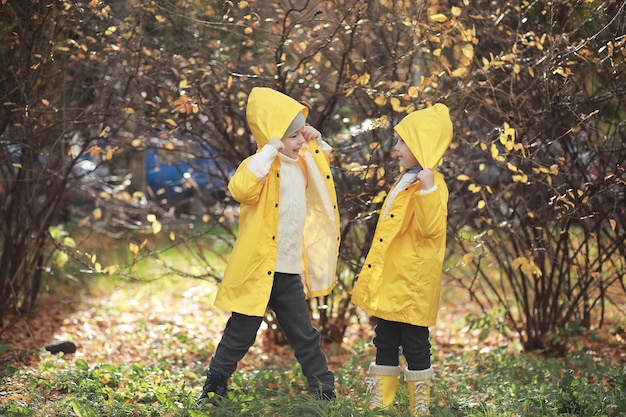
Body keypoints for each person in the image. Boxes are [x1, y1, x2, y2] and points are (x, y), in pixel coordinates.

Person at [197, 87, 341, 405]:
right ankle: (214, 387)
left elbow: (323, 169)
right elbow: (240, 189)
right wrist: (267, 151)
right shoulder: (259, 167)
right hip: (258, 269)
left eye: (300, 137)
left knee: (304, 334)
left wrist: (315, 141)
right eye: (293, 138)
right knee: (240, 332)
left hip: (287, 271)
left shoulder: (302, 164)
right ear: (275, 138)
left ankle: (324, 390)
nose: (299, 143)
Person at [351, 104, 453, 416]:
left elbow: (429, 228)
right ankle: (380, 402)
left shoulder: (431, 185)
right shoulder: (405, 181)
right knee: (384, 339)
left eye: (402, 142)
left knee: (415, 343)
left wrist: (428, 189)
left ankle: (418, 406)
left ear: (421, 145)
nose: (396, 149)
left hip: (413, 283)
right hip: (393, 278)